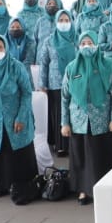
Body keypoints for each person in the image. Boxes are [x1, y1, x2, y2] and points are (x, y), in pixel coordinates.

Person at [0, 34, 39, 199]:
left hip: (16, 117)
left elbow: (26, 93)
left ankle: (25, 186)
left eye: (0, 47)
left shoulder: (16, 66)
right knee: (0, 151)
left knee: (20, 151)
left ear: (6, 48)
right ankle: (2, 185)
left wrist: (21, 117)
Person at [62, 32, 112, 204]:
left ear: (96, 45)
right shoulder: (72, 67)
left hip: (101, 120)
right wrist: (65, 123)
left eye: (90, 42)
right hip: (78, 120)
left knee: (100, 155)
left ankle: (104, 190)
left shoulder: (108, 65)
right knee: (81, 156)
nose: (86, 46)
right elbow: (65, 97)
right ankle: (83, 190)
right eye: (83, 43)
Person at [37, 9, 77, 157]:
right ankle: (60, 146)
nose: (64, 23)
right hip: (55, 82)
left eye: (67, 20)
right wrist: (42, 84)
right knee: (59, 113)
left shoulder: (76, 39)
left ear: (71, 22)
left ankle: (73, 145)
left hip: (75, 81)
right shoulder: (49, 40)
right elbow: (44, 62)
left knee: (73, 112)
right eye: (61, 20)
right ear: (56, 22)